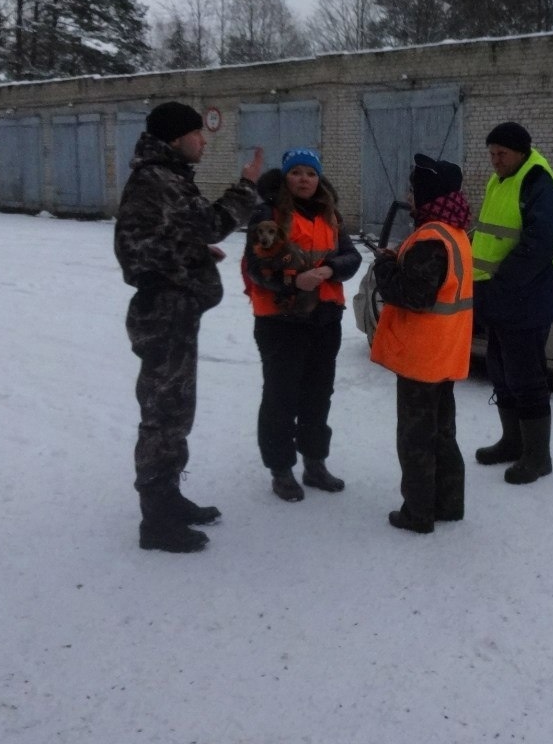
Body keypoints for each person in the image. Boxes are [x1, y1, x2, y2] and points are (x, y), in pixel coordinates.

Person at [114, 100, 262, 553]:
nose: (204, 140)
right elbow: (213, 222)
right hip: (165, 312)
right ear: (176, 137)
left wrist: (189, 249)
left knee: (175, 409)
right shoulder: (159, 178)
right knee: (164, 413)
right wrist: (246, 186)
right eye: (197, 134)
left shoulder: (165, 175)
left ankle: (169, 498)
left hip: (173, 308)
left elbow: (158, 235)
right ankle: (156, 521)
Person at [244, 148, 361, 502]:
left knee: (317, 394)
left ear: (318, 178)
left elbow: (351, 256)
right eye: (296, 173)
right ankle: (281, 469)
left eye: (310, 174)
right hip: (281, 319)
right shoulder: (268, 214)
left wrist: (329, 270)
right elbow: (255, 267)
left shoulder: (331, 214)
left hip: (324, 318)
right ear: (286, 177)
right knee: (281, 396)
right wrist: (292, 283)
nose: (304, 180)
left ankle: (314, 463)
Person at [370, 154, 474, 534]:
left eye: (414, 190)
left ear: (427, 194)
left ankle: (418, 513)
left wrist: (384, 266)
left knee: (416, 438)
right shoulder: (455, 233)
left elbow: (413, 295)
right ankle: (448, 504)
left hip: (422, 358)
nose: (409, 196)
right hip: (445, 353)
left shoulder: (431, 238)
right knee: (443, 434)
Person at [470, 122, 553, 485]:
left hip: (526, 296)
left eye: (502, 154)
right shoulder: (500, 180)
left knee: (527, 377)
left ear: (522, 150)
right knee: (502, 371)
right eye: (492, 153)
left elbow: (539, 244)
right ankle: (513, 442)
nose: (496, 161)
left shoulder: (537, 181)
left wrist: (502, 282)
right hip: (500, 297)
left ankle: (537, 457)